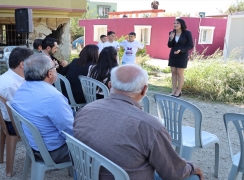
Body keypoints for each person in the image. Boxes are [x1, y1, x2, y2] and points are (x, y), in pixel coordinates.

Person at [74, 64, 204, 180]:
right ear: (144, 90)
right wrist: (193, 167)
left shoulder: (85, 110)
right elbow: (174, 173)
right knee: (192, 178)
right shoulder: (149, 126)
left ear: (109, 85)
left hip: (85, 175)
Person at [12, 53, 73, 163]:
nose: (56, 70)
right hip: (54, 151)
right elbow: (70, 130)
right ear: (50, 74)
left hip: (34, 145)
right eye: (55, 67)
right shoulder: (53, 97)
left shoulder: (22, 89)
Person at [0, 47, 33, 135]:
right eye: (33, 62)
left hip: (15, 119)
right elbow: (21, 113)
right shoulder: (11, 85)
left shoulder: (14, 76)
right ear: (22, 64)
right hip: (14, 124)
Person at [168, 18, 194, 97]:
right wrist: (171, 38)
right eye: (174, 23)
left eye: (177, 23)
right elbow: (169, 45)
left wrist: (181, 50)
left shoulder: (187, 33)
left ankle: (179, 91)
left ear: (182, 24)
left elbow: (190, 45)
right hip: (173, 55)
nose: (175, 25)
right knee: (173, 72)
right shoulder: (172, 33)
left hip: (182, 55)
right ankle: (173, 90)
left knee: (180, 73)